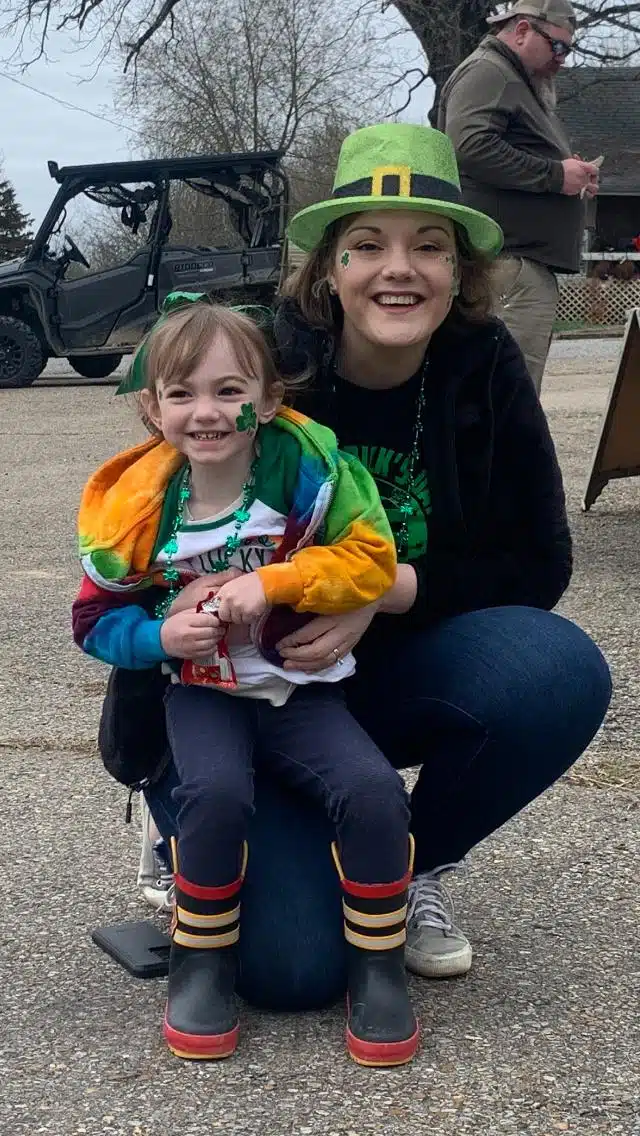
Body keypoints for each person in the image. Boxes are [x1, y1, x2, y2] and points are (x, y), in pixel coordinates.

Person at [107, 121, 611, 1015]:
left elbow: (540, 560)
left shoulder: (481, 363)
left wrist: (375, 590)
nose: (398, 269)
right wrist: (164, 661)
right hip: (238, 689)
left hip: (373, 681)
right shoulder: (266, 366)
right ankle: (181, 807)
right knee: (291, 973)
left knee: (557, 668)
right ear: (328, 269)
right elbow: (148, 537)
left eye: (430, 246)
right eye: (366, 245)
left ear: (460, 271)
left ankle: (407, 868)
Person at [73, 297, 420, 1066]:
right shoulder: (137, 510)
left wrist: (282, 581)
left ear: (267, 398)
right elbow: (93, 623)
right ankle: (202, 960)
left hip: (304, 690)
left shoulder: (314, 475)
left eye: (230, 391)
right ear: (151, 406)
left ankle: (379, 966)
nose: (208, 412)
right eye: (183, 393)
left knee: (372, 791)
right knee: (217, 793)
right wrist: (161, 634)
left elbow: (371, 560)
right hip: (202, 693)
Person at [437, 0, 600, 392]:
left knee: (508, 395)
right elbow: (469, 146)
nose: (562, 58)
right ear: (523, 30)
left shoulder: (513, 79)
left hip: (518, 265)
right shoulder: (490, 71)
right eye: (557, 46)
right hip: (507, 266)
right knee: (505, 396)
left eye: (568, 50)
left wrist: (567, 173)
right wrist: (555, 175)